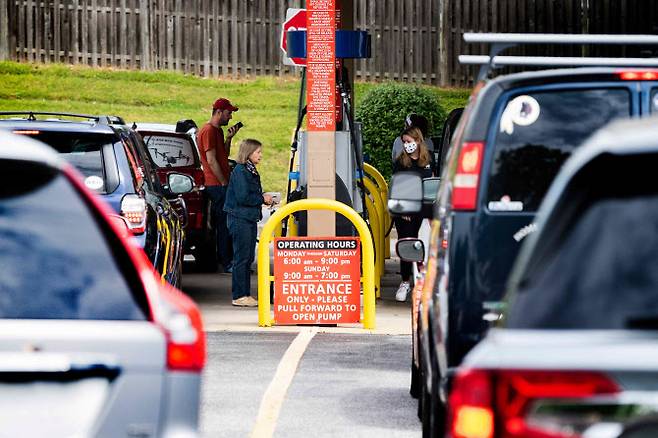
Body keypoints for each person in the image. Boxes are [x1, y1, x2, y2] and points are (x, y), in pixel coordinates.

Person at [224, 139, 273, 307]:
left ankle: (244, 293)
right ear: (249, 153)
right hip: (240, 219)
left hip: (248, 218)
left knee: (247, 257)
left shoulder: (249, 170)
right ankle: (239, 295)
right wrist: (262, 198)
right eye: (258, 152)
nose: (261, 155)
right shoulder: (241, 171)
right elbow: (243, 197)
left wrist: (262, 197)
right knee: (242, 258)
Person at [197, 98, 241, 273]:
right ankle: (225, 261)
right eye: (228, 113)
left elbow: (223, 154)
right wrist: (223, 181)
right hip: (215, 184)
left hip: (220, 183)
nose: (230, 117)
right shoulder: (208, 130)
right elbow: (211, 160)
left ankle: (226, 259)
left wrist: (229, 137)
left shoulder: (217, 131)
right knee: (223, 223)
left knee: (225, 222)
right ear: (219, 112)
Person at [393, 126, 433, 302]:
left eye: (409, 141)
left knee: (424, 247)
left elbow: (433, 184)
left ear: (418, 140)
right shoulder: (401, 162)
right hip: (406, 212)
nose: (407, 145)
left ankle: (423, 282)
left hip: (424, 212)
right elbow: (398, 187)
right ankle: (405, 281)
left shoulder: (429, 160)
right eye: (404, 142)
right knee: (407, 245)